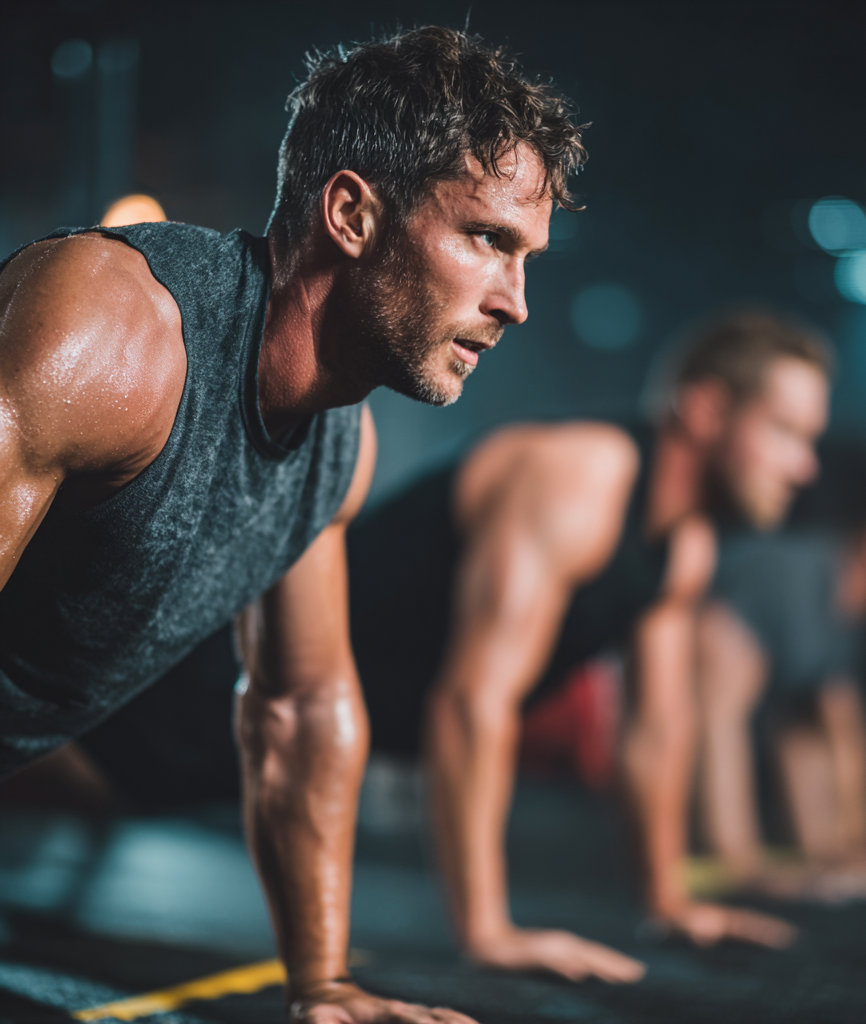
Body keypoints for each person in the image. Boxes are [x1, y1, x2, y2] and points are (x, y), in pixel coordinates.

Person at [0, 26, 584, 1024]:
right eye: (486, 239)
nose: (515, 303)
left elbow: (300, 709)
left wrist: (323, 986)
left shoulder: (335, 451)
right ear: (353, 213)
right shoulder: (116, 331)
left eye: (525, 256)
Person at [342, 309, 830, 980]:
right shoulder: (582, 475)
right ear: (708, 410)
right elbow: (471, 700)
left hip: (344, 726)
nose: (805, 467)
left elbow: (655, 731)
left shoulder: (685, 549)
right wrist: (488, 931)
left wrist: (668, 902)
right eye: (785, 433)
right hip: (224, 683)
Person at [696, 467, 866, 897]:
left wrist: (849, 857)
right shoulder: (794, 578)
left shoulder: (845, 616)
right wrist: (740, 863)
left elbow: (825, 731)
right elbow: (715, 708)